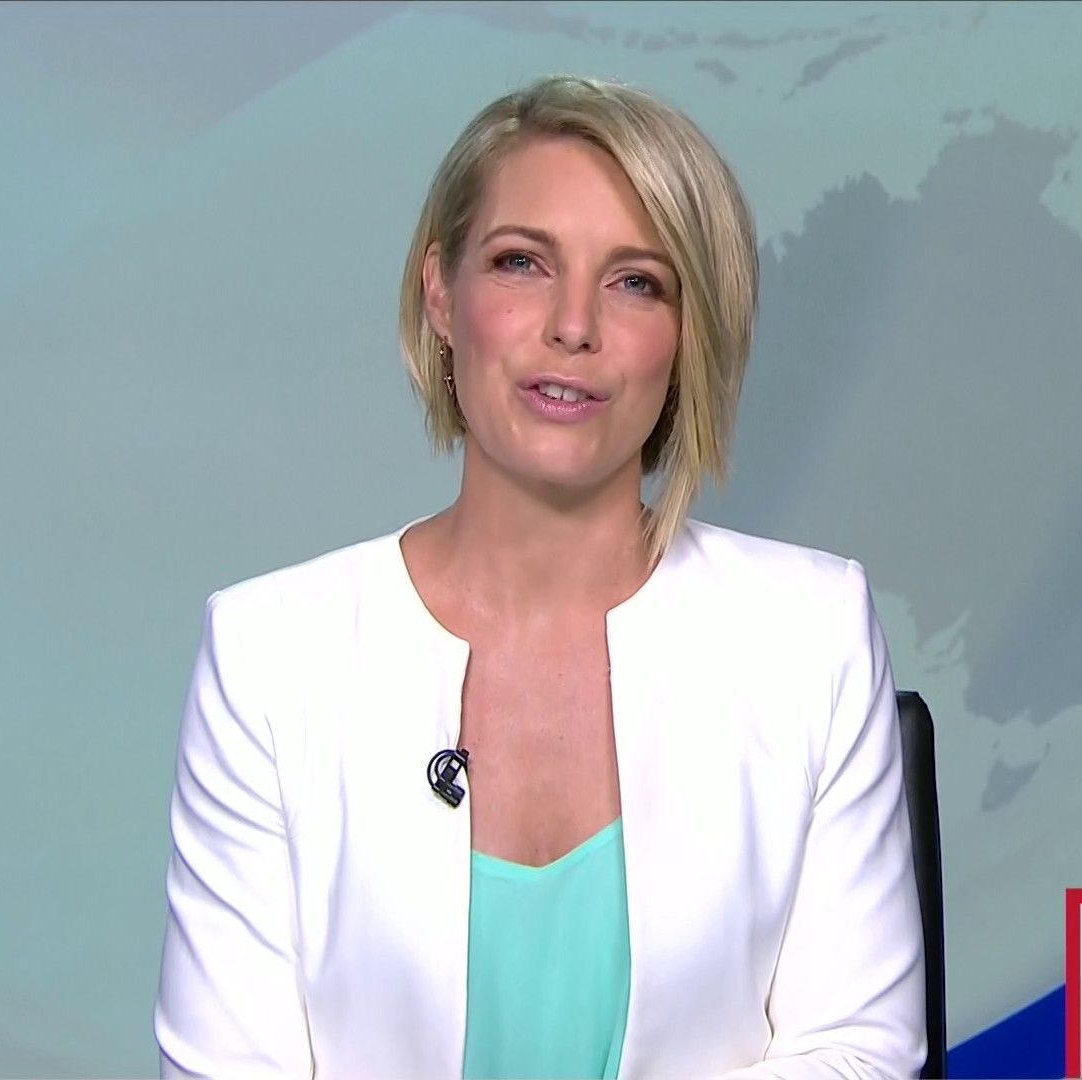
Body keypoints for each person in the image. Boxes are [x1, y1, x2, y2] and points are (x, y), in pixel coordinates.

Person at [154, 74, 925, 1080]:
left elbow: (861, 1052)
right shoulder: (269, 656)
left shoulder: (810, 635)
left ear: (691, 332)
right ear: (441, 294)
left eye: (636, 282)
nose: (573, 326)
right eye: (522, 263)